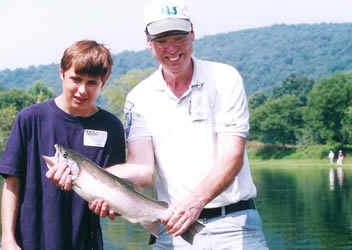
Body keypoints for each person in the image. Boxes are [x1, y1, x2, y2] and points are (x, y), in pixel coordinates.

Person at [49, 0, 268, 249]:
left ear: (192, 33)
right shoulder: (139, 98)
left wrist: (194, 203)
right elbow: (142, 170)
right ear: (148, 41)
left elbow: (232, 156)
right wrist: (94, 183)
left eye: (178, 37)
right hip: (172, 229)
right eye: (162, 41)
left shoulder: (225, 78)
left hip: (234, 225)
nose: (171, 49)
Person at [0, 40, 126, 250]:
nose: (82, 90)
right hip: (29, 242)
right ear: (61, 73)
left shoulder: (111, 127)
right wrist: (7, 240)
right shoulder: (30, 119)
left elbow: (118, 196)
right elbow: (11, 184)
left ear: (104, 81)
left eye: (92, 82)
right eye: (76, 79)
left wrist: (110, 208)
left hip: (86, 243)